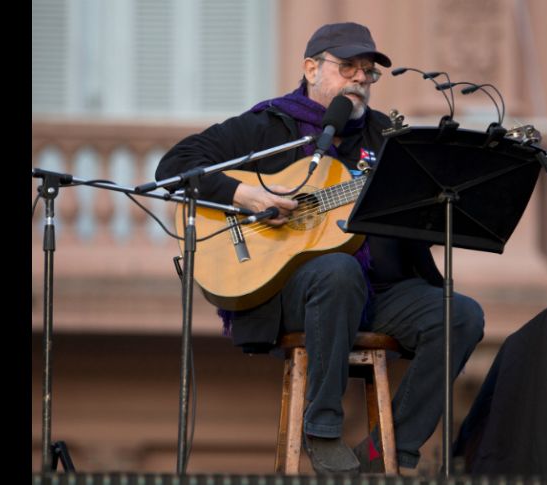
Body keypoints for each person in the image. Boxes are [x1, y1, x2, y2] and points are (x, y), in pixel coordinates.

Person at [156, 21, 484, 474]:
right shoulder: (268, 125)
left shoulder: (388, 138)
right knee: (336, 269)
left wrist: (432, 201)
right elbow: (174, 167)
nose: (359, 79)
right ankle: (323, 424)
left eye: (368, 72)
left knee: (459, 314)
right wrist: (245, 195)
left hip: (383, 292)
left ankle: (389, 448)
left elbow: (419, 220)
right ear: (311, 68)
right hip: (295, 292)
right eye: (347, 67)